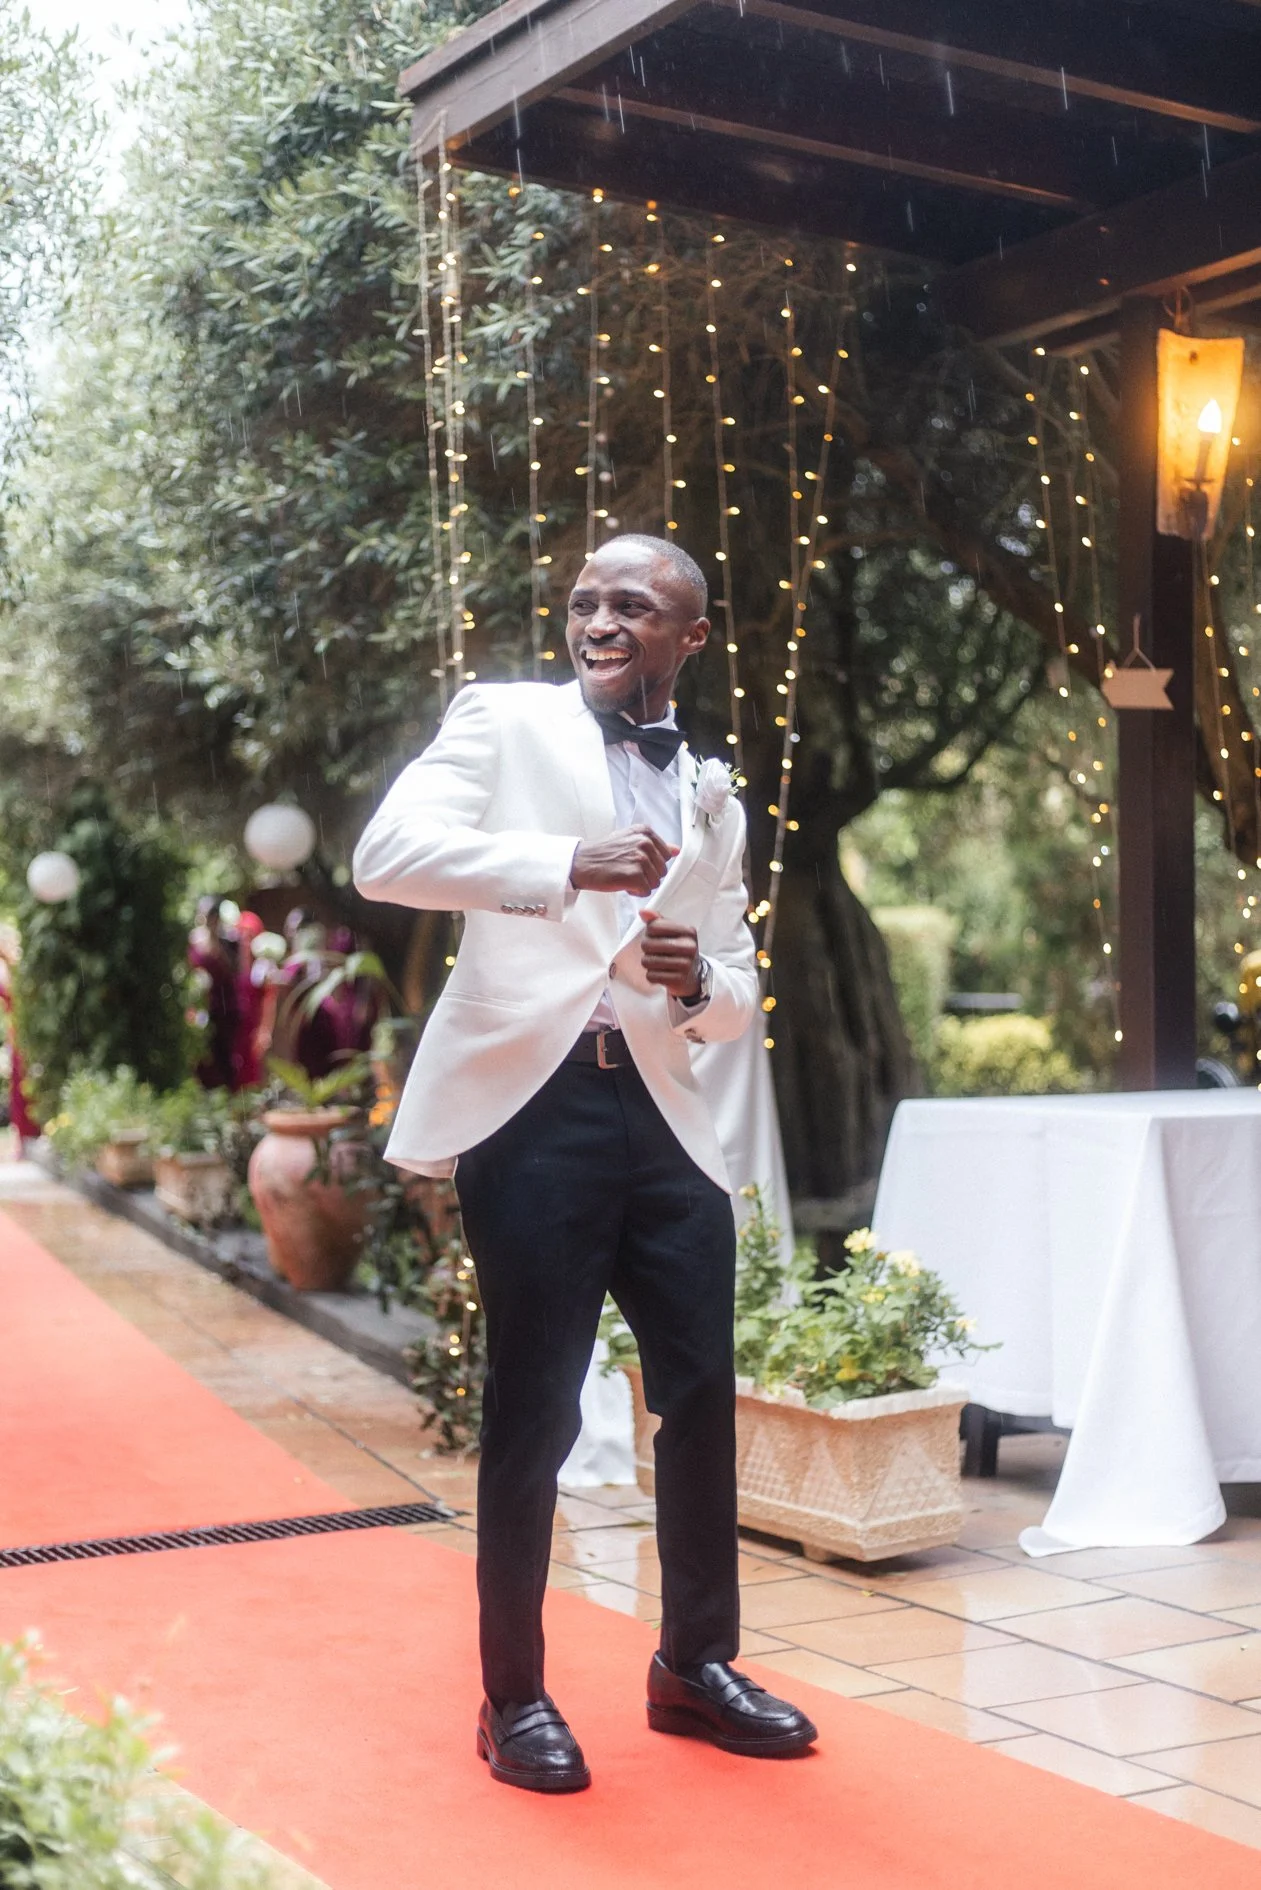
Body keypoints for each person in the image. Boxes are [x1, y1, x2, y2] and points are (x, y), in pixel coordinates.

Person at [354, 533, 816, 1794]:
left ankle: (693, 1668)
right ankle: (514, 1698)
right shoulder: (504, 722)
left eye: (634, 605)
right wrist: (561, 864)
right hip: (534, 1109)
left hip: (664, 1117)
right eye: (585, 603)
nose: (601, 620)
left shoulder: (710, 792)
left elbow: (732, 982)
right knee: (535, 1411)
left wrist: (704, 981)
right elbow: (385, 856)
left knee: (702, 1395)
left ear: (693, 636)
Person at [0, 925, 38, 1155]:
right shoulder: (5, 971)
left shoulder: (20, 969)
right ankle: (23, 1139)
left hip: (27, 1033)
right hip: (16, 1034)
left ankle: (32, 1136)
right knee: (18, 1085)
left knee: (27, 1084)